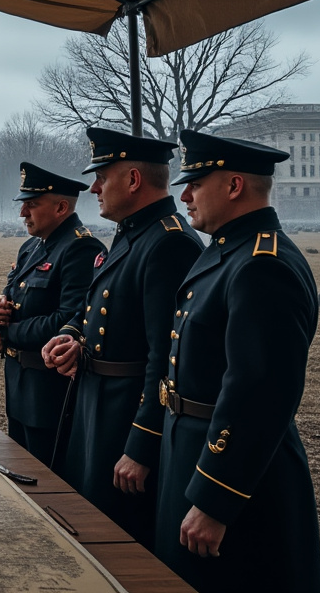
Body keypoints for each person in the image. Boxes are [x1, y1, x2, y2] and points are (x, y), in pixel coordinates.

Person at [155, 130, 320, 592]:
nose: (183, 195)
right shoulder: (230, 250)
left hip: (241, 471)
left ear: (233, 186)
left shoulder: (261, 265)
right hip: (195, 445)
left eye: (195, 183)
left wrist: (215, 499)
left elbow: (260, 392)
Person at [41, 128, 203, 548]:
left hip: (126, 410)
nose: (94, 187)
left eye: (102, 176)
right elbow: (107, 314)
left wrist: (142, 443)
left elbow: (165, 358)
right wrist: (76, 338)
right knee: (89, 517)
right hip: (98, 400)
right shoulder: (133, 232)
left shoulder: (169, 242)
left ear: (133, 180)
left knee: (119, 534)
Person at [0, 162, 104, 465]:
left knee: (47, 479)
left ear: (61, 207)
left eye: (32, 205)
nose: (23, 212)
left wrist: (7, 333)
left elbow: (70, 318)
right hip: (19, 384)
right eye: (24, 205)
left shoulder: (80, 248)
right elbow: (14, 298)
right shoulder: (32, 247)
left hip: (49, 391)